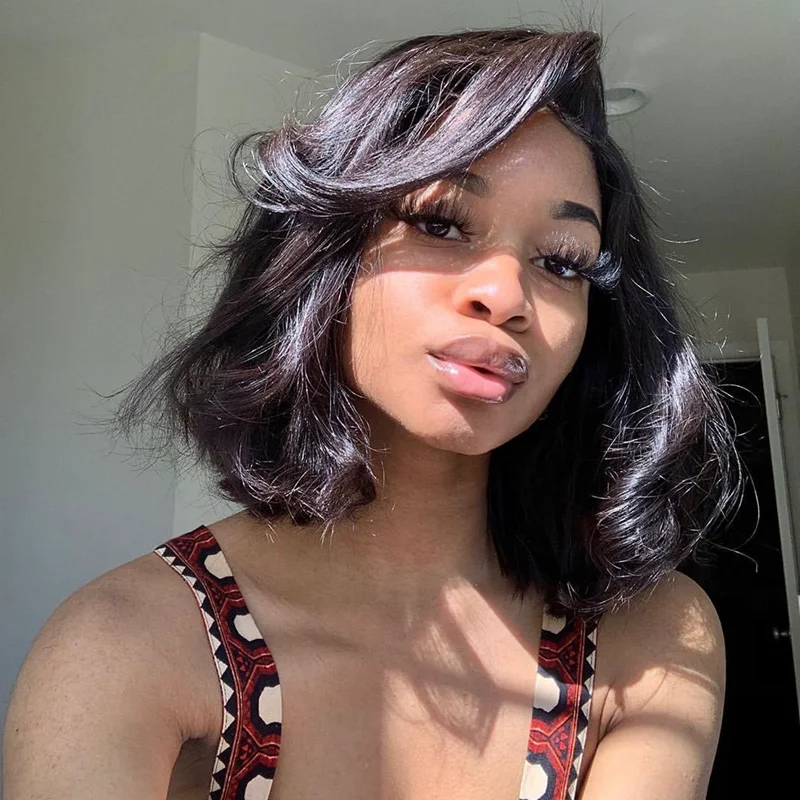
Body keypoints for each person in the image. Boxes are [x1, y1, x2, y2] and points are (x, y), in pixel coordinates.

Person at [3, 26, 740, 800]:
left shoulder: (652, 644)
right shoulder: (127, 645)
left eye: (561, 261)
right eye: (441, 223)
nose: (506, 296)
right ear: (327, 255)